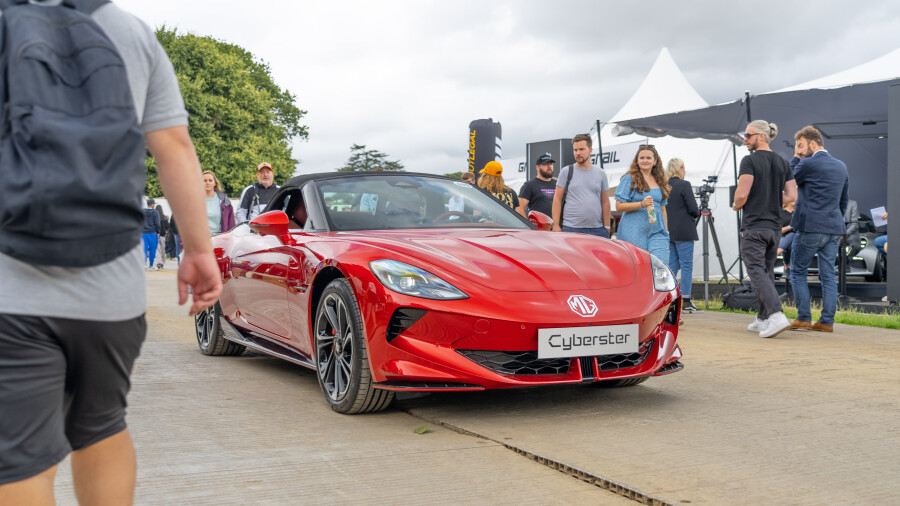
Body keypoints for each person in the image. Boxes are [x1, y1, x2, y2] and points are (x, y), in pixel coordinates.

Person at [0, 3, 222, 503]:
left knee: (19, 459)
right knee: (101, 427)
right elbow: (173, 145)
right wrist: (198, 250)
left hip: (11, 289)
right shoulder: (133, 33)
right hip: (111, 289)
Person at [732, 120, 797, 338]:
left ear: (761, 136)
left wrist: (736, 204)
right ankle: (763, 318)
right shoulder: (782, 162)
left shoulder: (749, 161)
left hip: (754, 226)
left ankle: (777, 315)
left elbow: (741, 195)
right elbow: (791, 196)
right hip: (774, 227)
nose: (745, 140)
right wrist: (769, 197)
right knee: (767, 271)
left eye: (748, 136)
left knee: (756, 271)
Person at [788, 125, 849, 333]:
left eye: (801, 146)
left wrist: (796, 157)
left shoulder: (807, 163)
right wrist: (834, 221)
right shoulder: (841, 166)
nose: (800, 150)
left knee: (797, 271)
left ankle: (804, 317)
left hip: (810, 227)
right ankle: (826, 322)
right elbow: (844, 201)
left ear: (813, 144)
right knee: (828, 275)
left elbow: (789, 180)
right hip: (833, 227)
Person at [615, 145, 670, 262]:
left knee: (661, 265)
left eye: (649, 158)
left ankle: (661, 281)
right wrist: (641, 204)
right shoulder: (629, 178)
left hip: (657, 231)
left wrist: (666, 231)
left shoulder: (660, 180)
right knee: (639, 265)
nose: (645, 160)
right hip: (634, 231)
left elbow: (663, 208)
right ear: (637, 161)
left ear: (655, 161)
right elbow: (619, 206)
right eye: (642, 158)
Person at [551, 134, 611, 237]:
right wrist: (556, 225)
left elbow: (605, 201)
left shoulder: (601, 173)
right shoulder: (566, 171)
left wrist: (607, 227)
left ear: (590, 150)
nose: (578, 153)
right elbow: (557, 199)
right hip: (571, 228)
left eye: (582, 149)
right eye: (575, 150)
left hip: (597, 229)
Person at [664, 158, 701, 312]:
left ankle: (669, 298)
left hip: (669, 231)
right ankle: (686, 299)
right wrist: (696, 212)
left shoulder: (664, 186)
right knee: (686, 266)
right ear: (680, 168)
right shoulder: (684, 185)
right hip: (685, 231)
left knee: (671, 266)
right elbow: (693, 209)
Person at [518, 153, 556, 218]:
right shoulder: (529, 185)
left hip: (557, 226)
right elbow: (519, 208)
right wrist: (528, 226)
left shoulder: (558, 184)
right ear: (538, 167)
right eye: (546, 164)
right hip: (538, 227)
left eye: (551, 164)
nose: (549, 166)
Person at [202, 170, 236, 235]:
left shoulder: (224, 200)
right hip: (200, 240)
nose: (207, 183)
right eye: (205, 181)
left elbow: (231, 224)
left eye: (210, 180)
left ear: (215, 183)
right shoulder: (194, 200)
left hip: (219, 239)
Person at [778, 200, 796, 300]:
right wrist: (790, 227)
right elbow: (778, 230)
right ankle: (788, 266)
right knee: (790, 237)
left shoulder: (798, 211)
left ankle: (786, 263)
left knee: (793, 237)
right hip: (783, 237)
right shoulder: (781, 213)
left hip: (796, 239)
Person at [142, 198, 161, 271]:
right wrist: (158, 232)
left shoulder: (142, 211)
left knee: (144, 249)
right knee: (153, 249)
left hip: (143, 233)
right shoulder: (155, 212)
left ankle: (143, 265)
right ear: (152, 204)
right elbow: (157, 223)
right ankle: (151, 265)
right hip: (153, 232)